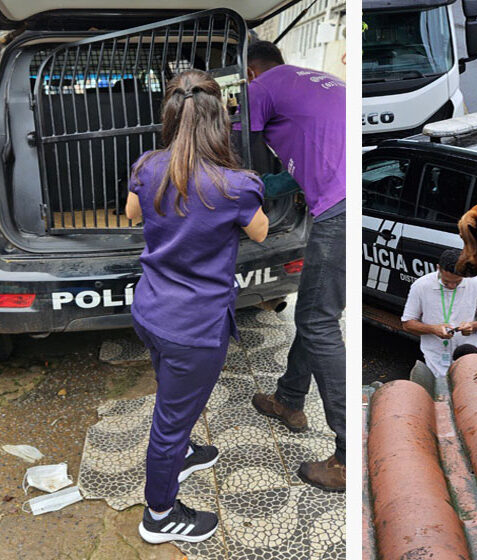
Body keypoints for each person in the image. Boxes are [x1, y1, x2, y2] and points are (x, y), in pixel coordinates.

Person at [124, 69, 269, 544]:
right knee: (168, 423)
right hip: (195, 327)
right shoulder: (237, 185)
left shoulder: (147, 165)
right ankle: (159, 515)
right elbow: (261, 232)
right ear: (220, 120)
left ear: (170, 116)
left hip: (150, 310)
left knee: (172, 399)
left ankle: (182, 452)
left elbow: (132, 214)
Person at [243, 41, 346, 491]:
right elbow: (301, 163)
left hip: (338, 209)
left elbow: (230, 143)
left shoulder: (260, 87)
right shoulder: (316, 82)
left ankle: (346, 455)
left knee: (319, 323)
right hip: (350, 197)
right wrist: (267, 185)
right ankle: (288, 400)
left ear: (249, 71)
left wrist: (232, 189)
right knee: (314, 314)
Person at [402, 249, 477, 378]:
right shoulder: (421, 286)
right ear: (438, 268)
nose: (452, 286)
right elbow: (408, 324)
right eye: (446, 282)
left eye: (458, 282)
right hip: (437, 357)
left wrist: (473, 326)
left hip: (470, 353)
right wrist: (432, 329)